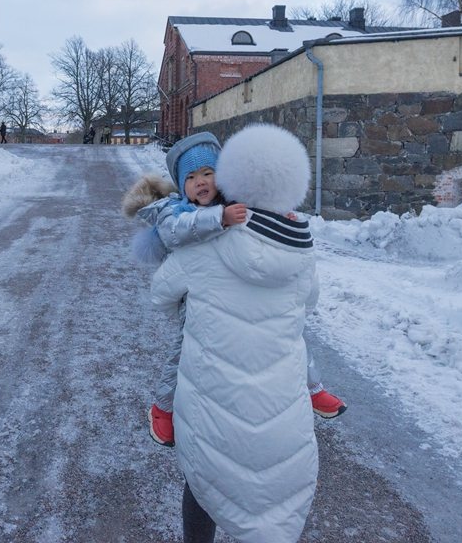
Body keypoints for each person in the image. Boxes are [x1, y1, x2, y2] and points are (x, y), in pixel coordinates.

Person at [151, 124, 321, 543]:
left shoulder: (202, 245)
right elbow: (308, 306)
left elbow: (160, 295)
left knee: (206, 479)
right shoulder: (302, 252)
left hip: (214, 399)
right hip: (281, 404)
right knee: (277, 489)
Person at [122, 132, 344, 450]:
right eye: (191, 177)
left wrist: (282, 219)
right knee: (183, 352)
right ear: (181, 185)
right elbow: (174, 234)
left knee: (288, 330)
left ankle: (313, 389)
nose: (201, 182)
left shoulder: (234, 202)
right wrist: (219, 219)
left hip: (232, 294)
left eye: (208, 174)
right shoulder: (176, 211)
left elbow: (260, 218)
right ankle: (163, 408)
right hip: (195, 297)